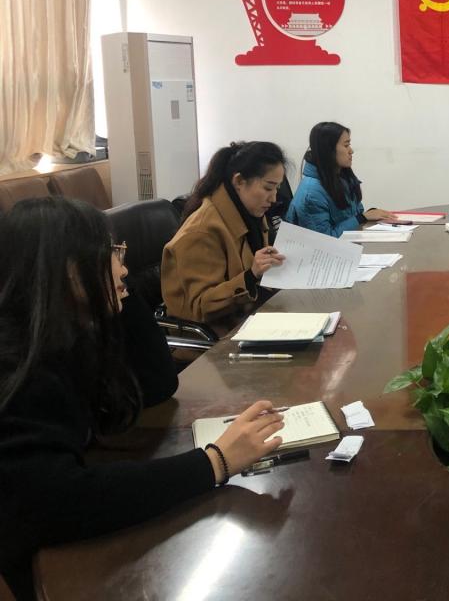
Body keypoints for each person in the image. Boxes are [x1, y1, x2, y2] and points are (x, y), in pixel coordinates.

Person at [0, 198, 284, 598]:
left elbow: (156, 383)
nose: (124, 268)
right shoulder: (18, 367)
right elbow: (57, 502)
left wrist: (117, 291)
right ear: (68, 271)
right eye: (112, 254)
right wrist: (214, 462)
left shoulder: (68, 332)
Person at [162, 141, 287, 326]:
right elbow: (201, 306)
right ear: (239, 181)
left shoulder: (251, 213)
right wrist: (251, 276)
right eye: (268, 188)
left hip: (249, 317)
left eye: (277, 188)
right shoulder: (202, 231)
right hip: (218, 333)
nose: (274, 197)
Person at [286, 122, 396, 236]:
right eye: (346, 145)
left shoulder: (343, 178)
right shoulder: (312, 194)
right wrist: (361, 218)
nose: (351, 151)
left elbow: (356, 213)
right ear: (328, 150)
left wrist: (368, 215)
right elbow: (323, 240)